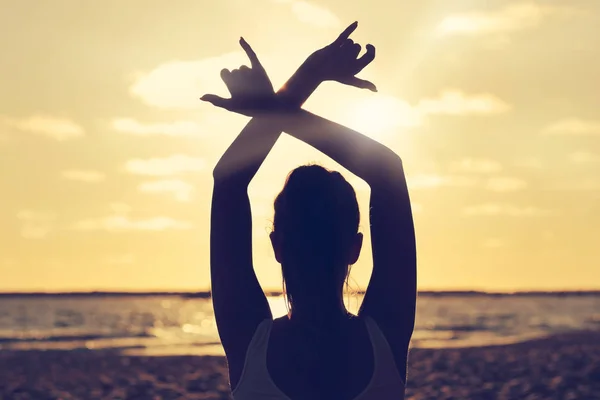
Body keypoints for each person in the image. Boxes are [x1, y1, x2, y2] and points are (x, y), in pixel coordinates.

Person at [203, 22, 416, 400]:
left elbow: (228, 179)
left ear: (277, 244)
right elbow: (387, 171)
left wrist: (303, 81)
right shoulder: (385, 336)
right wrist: (279, 104)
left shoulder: (250, 343)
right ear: (354, 247)